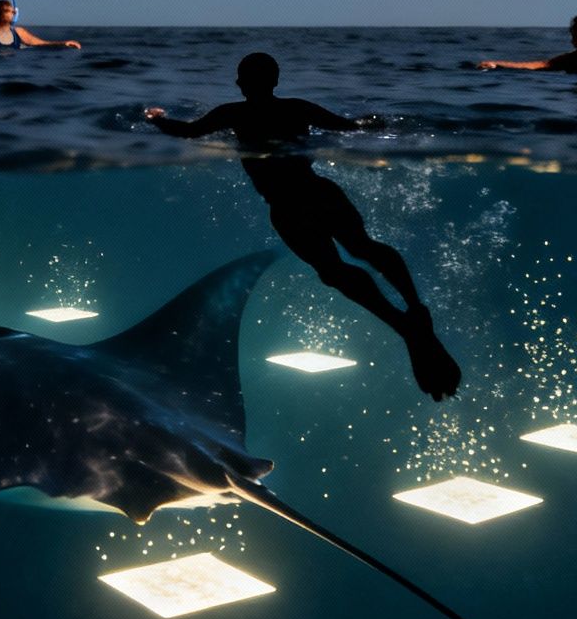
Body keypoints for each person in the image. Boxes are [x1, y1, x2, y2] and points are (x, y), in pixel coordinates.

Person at [145, 52, 462, 402]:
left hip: (286, 206)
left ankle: (404, 325)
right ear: (276, 81)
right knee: (363, 247)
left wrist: (157, 119)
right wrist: (379, 123)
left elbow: (187, 132)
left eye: (241, 78)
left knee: (333, 270)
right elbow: (350, 127)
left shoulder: (232, 113)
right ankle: (414, 309)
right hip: (318, 191)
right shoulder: (297, 107)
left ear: (241, 83)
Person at [0, 0, 80, 50]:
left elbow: (40, 43)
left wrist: (64, 43)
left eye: (12, 11)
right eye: (7, 11)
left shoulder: (18, 31)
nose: (12, 13)